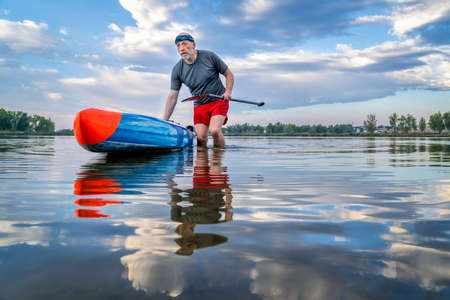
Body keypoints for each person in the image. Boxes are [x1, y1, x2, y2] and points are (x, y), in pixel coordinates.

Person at [163, 32, 234, 148]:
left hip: (219, 100)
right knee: (200, 138)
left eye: (184, 44)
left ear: (193, 45)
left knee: (215, 130)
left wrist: (228, 92)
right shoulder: (177, 69)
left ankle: (217, 162)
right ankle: (203, 164)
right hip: (199, 104)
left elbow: (229, 74)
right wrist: (164, 121)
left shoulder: (209, 56)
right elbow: (172, 96)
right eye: (178, 45)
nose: (181, 48)